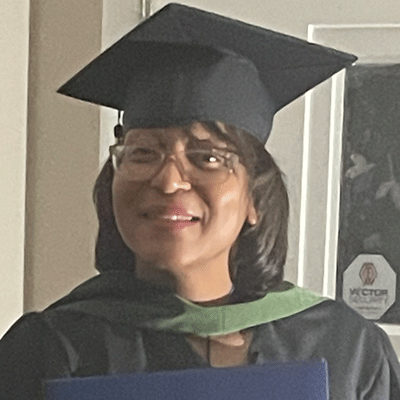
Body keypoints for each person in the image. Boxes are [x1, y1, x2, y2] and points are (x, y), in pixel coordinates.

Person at [1, 3, 399, 399]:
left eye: (207, 157)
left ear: (254, 197)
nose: (169, 181)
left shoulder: (346, 350)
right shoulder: (45, 350)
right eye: (142, 153)